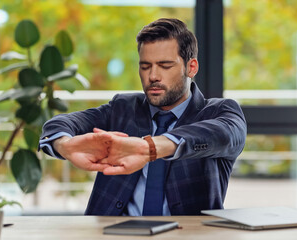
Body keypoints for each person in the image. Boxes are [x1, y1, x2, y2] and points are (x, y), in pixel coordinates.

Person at [39, 18, 246, 216]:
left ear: (191, 67)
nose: (153, 76)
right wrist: (65, 146)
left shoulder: (219, 111)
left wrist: (150, 148)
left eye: (165, 66)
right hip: (111, 234)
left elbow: (224, 135)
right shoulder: (122, 108)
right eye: (145, 66)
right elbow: (59, 124)